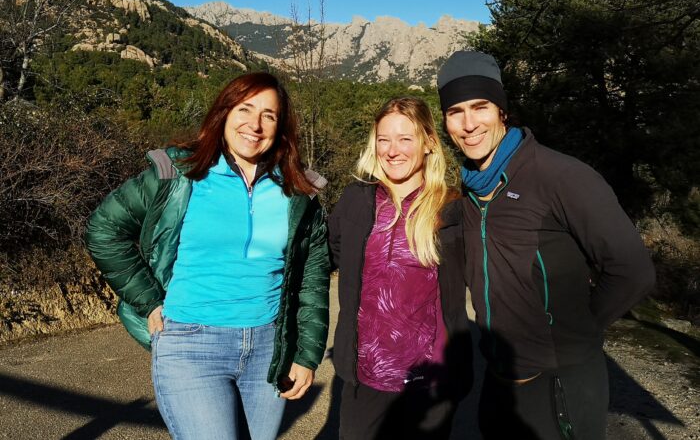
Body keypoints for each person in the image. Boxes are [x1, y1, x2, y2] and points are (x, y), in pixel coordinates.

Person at [85, 72, 331, 440]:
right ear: (224, 112)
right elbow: (103, 229)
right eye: (245, 109)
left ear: (281, 126)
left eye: (269, 115)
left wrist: (306, 354)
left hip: (268, 346)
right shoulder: (180, 173)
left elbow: (313, 276)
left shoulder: (297, 190)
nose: (255, 124)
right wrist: (149, 301)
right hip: (190, 344)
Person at [436, 51, 656, 439]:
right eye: (456, 111)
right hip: (500, 379)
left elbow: (632, 271)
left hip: (561, 383)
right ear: (445, 120)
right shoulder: (470, 190)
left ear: (502, 110)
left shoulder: (560, 176)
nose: (469, 124)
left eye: (480, 107)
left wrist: (573, 336)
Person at [329, 97, 472, 440]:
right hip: (366, 379)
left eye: (405, 138)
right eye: (384, 139)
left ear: (428, 143)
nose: (393, 150)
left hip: (430, 385)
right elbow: (333, 252)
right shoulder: (356, 200)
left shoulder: (452, 209)